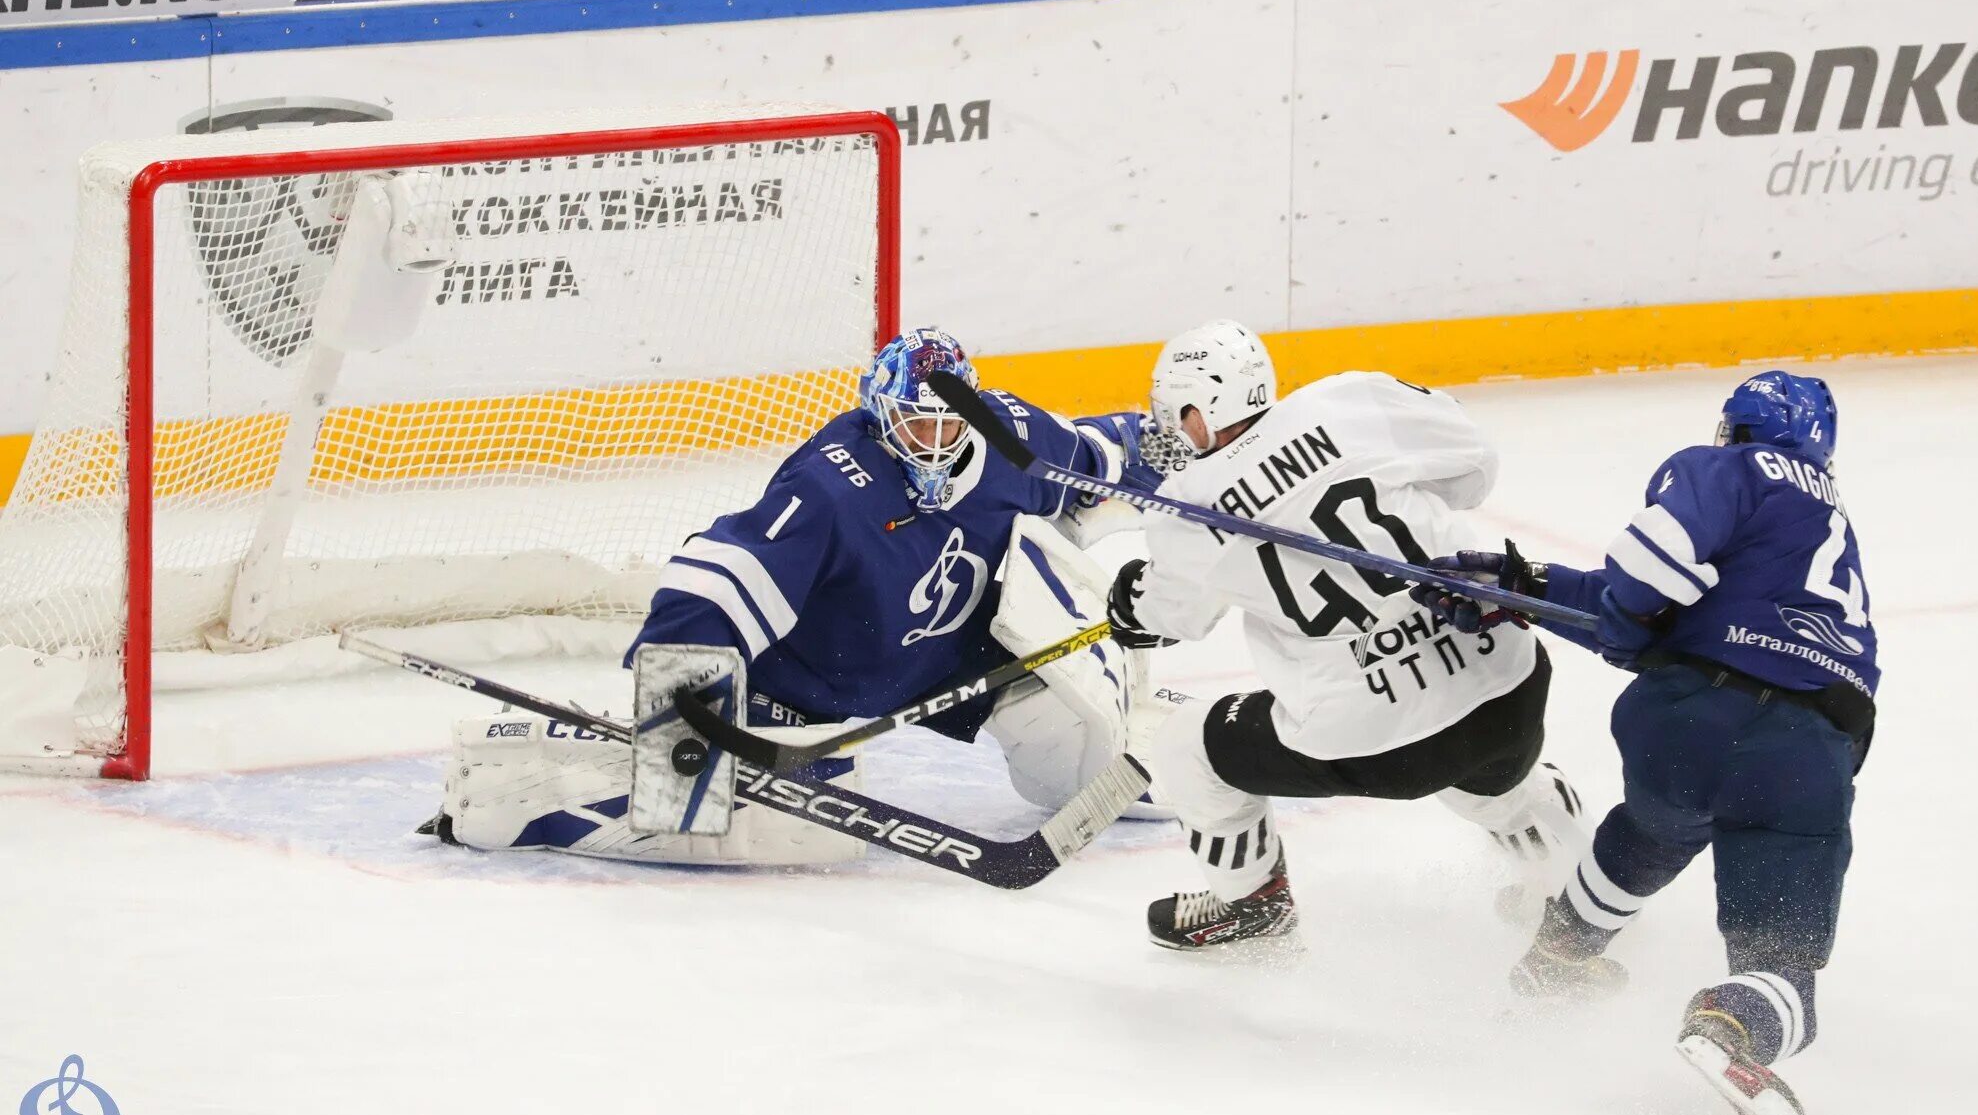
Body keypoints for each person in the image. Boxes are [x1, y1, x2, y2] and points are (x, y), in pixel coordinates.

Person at [425, 327, 1178, 866]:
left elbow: (1099, 454)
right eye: (919, 425)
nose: (939, 442)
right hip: (808, 684)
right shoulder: (831, 485)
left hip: (959, 662)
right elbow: (709, 584)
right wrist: (675, 731)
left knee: (1079, 748)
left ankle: (1129, 718)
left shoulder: (1010, 435)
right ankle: (512, 792)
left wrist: (1178, 453)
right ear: (883, 416)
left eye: (953, 421)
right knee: (810, 836)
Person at [1414, 370, 1877, 1115]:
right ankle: (1734, 1020)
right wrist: (1529, 585)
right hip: (1805, 755)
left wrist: (1521, 590)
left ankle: (1561, 953)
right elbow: (1661, 606)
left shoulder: (1726, 468)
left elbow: (1643, 593)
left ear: (1734, 427)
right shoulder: (1822, 525)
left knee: (1658, 822)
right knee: (1781, 962)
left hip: (1679, 727)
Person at [1103, 320, 1587, 951]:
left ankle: (1254, 907)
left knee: (1184, 750)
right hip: (1507, 691)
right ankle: (1581, 897)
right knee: (1497, 783)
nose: (1175, 431)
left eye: (1177, 414)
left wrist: (1131, 597)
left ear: (1198, 409)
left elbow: (1175, 620)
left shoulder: (1187, 509)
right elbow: (1474, 472)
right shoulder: (1353, 400)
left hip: (1372, 745)